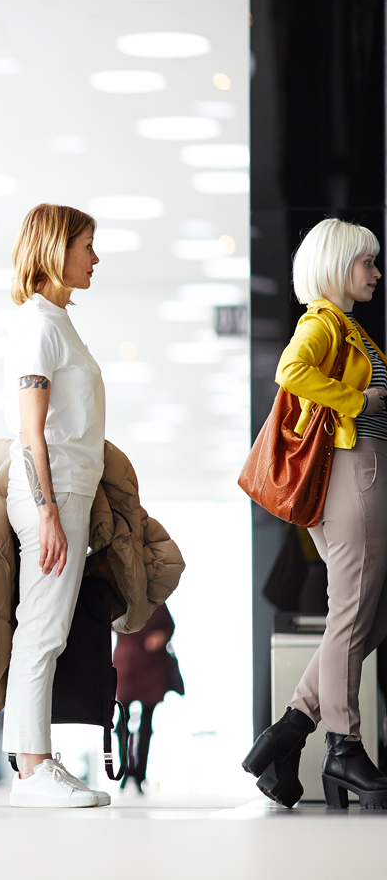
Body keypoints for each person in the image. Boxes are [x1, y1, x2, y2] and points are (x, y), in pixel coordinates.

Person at [243, 217, 387, 810]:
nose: (376, 273)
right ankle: (342, 745)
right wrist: (358, 399)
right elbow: (290, 372)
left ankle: (289, 733)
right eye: (367, 263)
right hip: (354, 474)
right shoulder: (324, 323)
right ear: (336, 265)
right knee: (352, 614)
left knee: (366, 621)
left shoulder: (348, 327)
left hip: (366, 472)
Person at [2, 203, 110, 808]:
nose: (95, 258)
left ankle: (35, 761)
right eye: (87, 245)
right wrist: (47, 512)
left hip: (69, 489)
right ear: (55, 249)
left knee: (48, 628)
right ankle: (31, 768)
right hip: (55, 491)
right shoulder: (40, 324)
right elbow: (30, 430)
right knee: (42, 629)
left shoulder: (56, 322)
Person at [115, 603, 176, 794]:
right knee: (122, 724)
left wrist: (161, 637)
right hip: (127, 665)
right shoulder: (123, 596)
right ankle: (126, 770)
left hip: (152, 667)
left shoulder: (156, 599)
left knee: (146, 725)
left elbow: (169, 626)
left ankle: (140, 774)